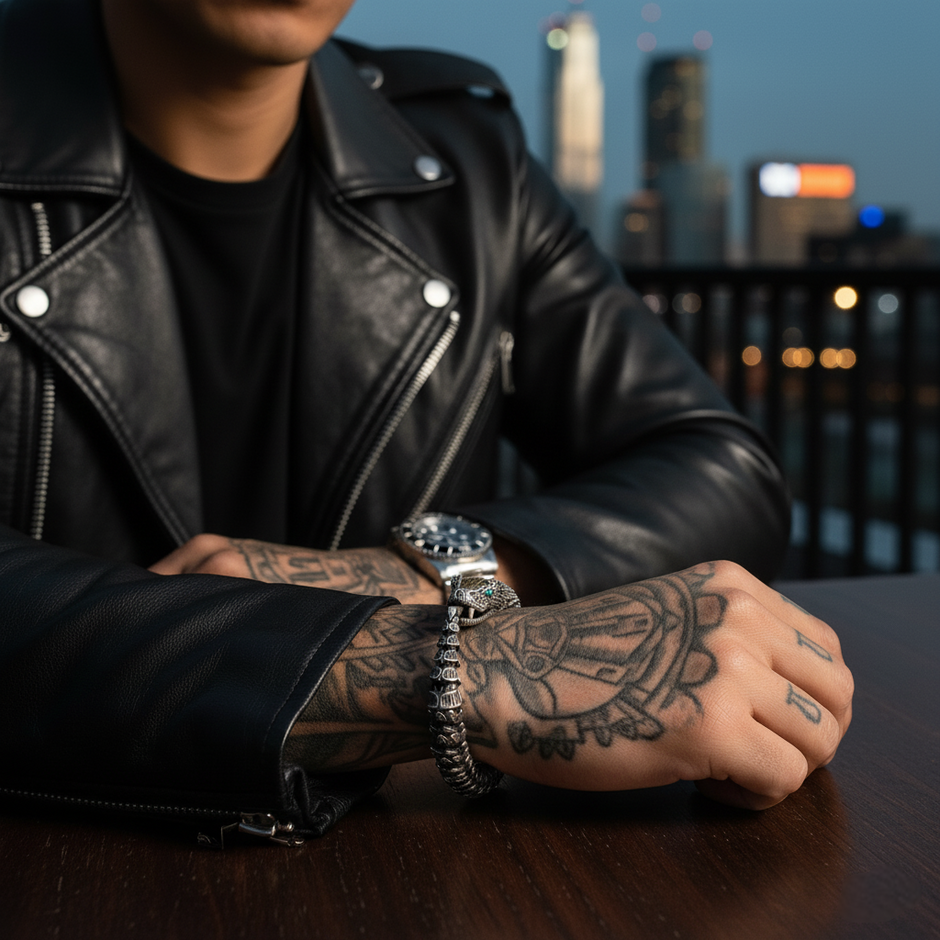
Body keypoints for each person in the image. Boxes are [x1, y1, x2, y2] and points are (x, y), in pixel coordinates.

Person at [0, 0, 852, 843]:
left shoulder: (461, 160)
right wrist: (450, 666)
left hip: (410, 856)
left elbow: (718, 465)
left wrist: (419, 575)